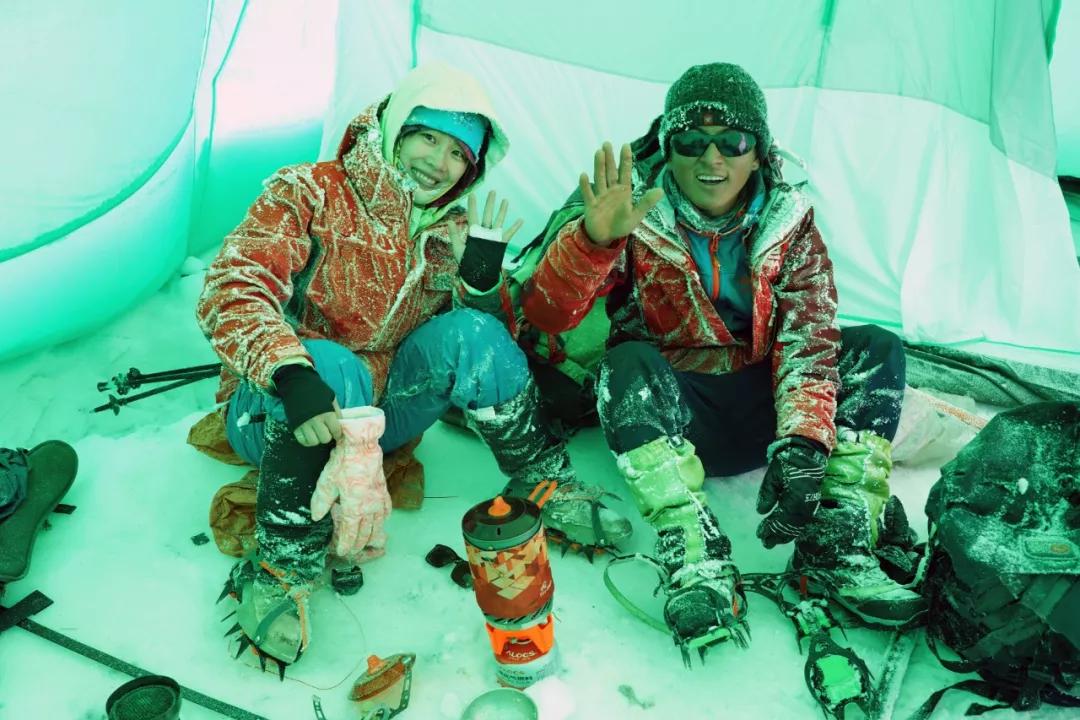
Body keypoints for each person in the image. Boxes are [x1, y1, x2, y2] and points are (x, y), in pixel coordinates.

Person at [195, 62, 631, 670]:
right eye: (427, 135)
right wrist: (290, 373)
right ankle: (282, 562)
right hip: (281, 408)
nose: (438, 160)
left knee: (473, 334)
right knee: (332, 364)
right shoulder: (309, 190)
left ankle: (540, 479)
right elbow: (232, 285)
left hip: (375, 419)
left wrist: (480, 288)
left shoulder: (451, 231)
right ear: (396, 125)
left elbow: (489, 352)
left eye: (458, 153)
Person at [520, 62, 926, 660]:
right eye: (691, 141)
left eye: (731, 141)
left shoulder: (792, 224)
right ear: (669, 147)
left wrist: (807, 446)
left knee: (876, 348)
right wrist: (594, 242)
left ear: (757, 151)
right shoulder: (628, 212)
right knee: (624, 363)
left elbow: (808, 338)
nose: (711, 158)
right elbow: (549, 317)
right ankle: (693, 551)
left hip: (766, 415)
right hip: (674, 422)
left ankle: (836, 544)